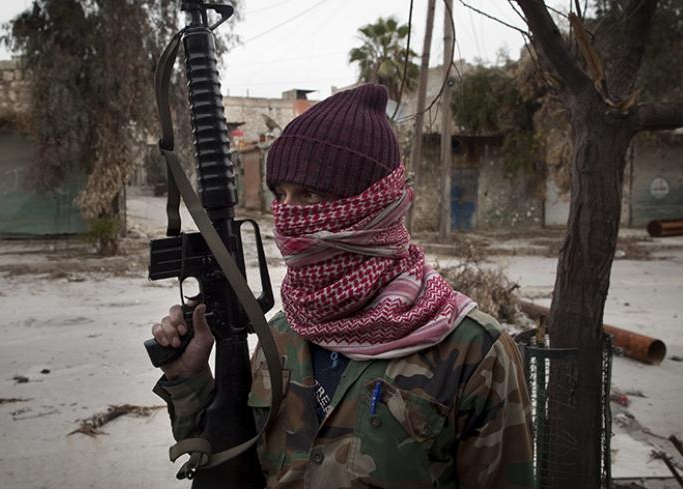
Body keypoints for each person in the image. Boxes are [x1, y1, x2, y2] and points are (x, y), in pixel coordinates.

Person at [151, 84, 533, 488]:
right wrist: (188, 378)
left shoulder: (474, 352)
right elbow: (228, 464)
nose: (289, 216)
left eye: (310, 195)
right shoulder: (281, 335)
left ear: (372, 206)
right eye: (281, 195)